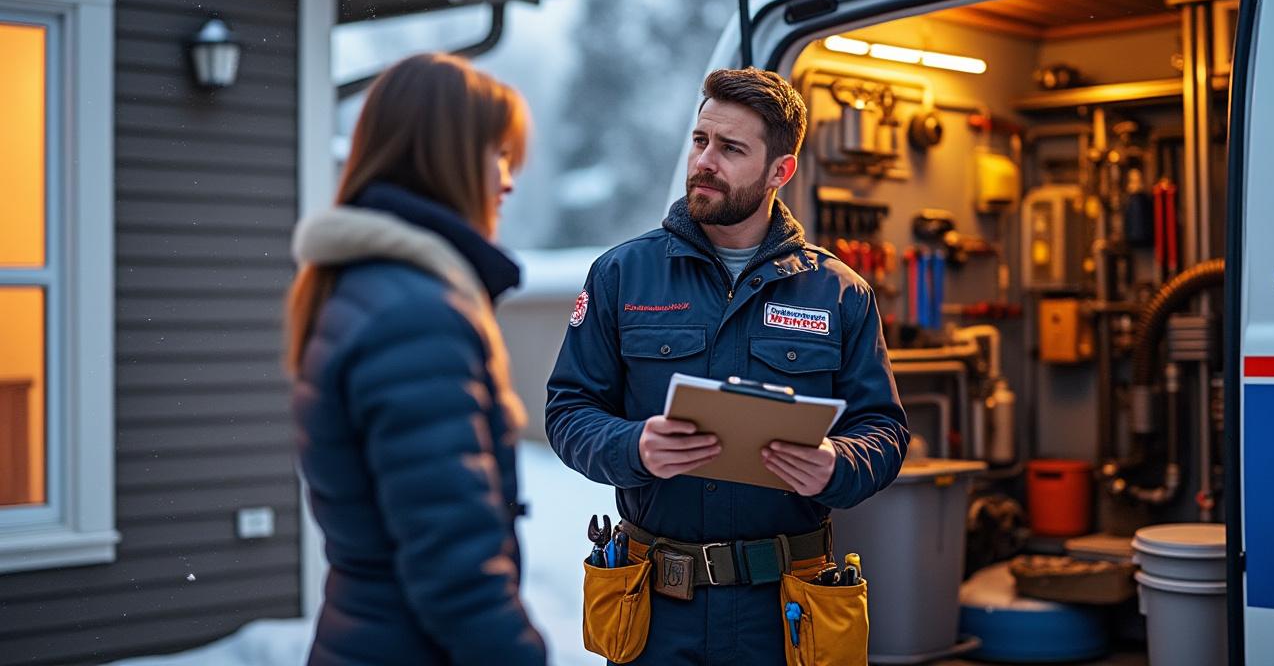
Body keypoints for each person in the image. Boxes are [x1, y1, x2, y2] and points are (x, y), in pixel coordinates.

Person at [546, 67, 909, 664]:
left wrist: (836, 465)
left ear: (780, 171)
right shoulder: (621, 275)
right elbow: (568, 412)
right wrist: (633, 446)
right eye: (700, 141)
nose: (704, 161)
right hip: (657, 614)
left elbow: (886, 432)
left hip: (785, 615)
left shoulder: (838, 293)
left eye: (731, 148)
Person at [285, 53, 547, 666]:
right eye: (498, 154)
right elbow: (455, 567)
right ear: (445, 157)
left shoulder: (367, 290)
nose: (507, 181)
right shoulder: (417, 316)